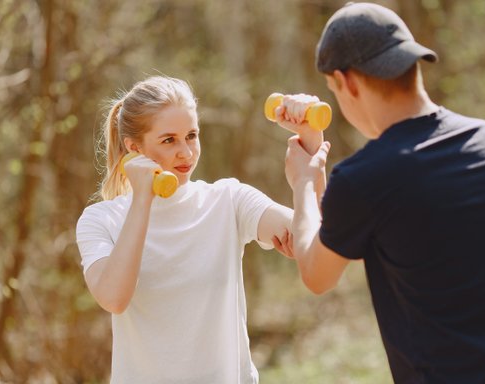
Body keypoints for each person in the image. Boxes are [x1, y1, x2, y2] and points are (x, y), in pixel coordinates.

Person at [275, 2, 485, 383]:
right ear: (410, 64)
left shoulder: (366, 179)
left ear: (347, 82)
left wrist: (303, 182)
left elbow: (317, 273)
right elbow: (395, 235)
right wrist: (315, 153)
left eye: (334, 90)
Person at [75, 76, 322, 383]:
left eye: (191, 136)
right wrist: (142, 199)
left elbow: (311, 241)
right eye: (169, 140)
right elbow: (114, 297)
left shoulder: (229, 200)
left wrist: (311, 146)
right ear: (134, 148)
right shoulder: (100, 220)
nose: (187, 153)